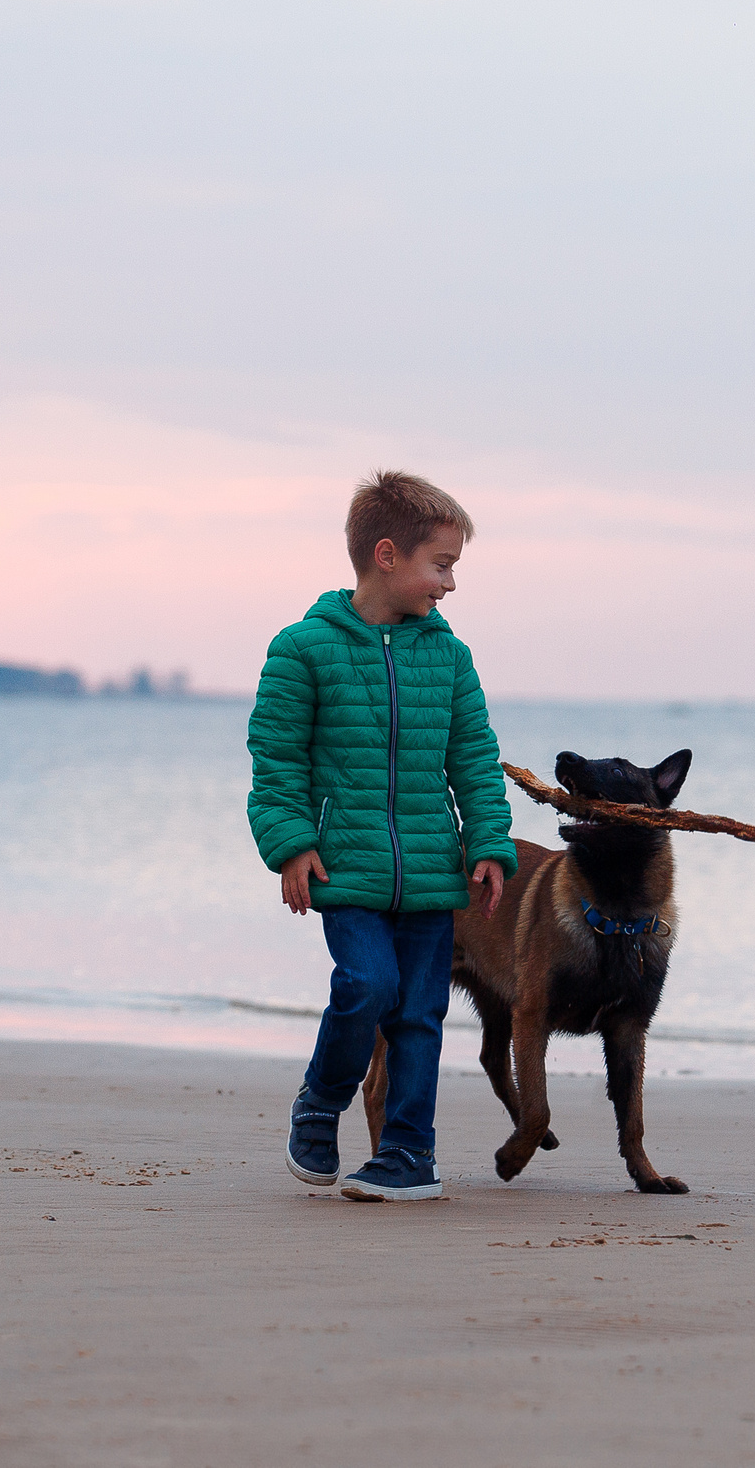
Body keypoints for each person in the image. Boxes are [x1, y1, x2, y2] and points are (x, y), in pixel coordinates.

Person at [245, 470, 517, 1201]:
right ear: (388, 555)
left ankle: (408, 1152)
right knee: (367, 986)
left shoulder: (450, 658)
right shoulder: (303, 649)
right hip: (346, 869)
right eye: (443, 564)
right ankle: (322, 1096)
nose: (451, 584)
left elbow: (475, 757)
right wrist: (291, 842)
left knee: (419, 1014)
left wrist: (490, 842)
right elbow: (276, 759)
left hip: (431, 868)